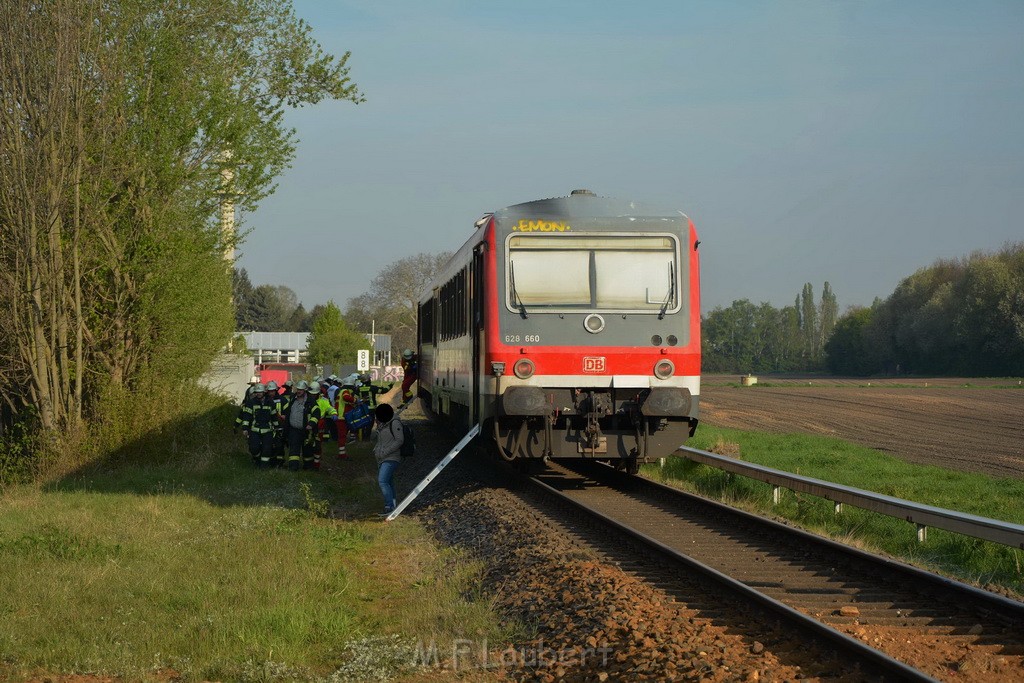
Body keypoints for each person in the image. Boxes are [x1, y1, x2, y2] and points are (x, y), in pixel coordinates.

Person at [372, 403, 404, 515]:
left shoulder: (395, 423)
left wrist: (385, 451)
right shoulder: (384, 424)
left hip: (391, 457)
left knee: (382, 480)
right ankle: (393, 504)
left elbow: (399, 440)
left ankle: (389, 506)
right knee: (389, 482)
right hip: (382, 457)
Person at [240, 383, 275, 468]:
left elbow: (274, 416)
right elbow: (247, 416)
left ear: (264, 392)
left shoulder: (270, 402)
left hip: (267, 430)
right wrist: (245, 428)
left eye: (260, 392)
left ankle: (264, 467)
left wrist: (278, 427)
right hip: (255, 430)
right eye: (257, 392)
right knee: (253, 448)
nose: (258, 393)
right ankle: (257, 460)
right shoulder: (251, 402)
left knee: (266, 449)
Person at [284, 380, 313, 471]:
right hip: (294, 429)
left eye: (301, 389)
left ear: (305, 390)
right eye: (298, 389)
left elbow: (316, 413)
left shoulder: (310, 401)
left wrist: (311, 423)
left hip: (305, 430)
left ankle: (308, 467)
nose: (299, 391)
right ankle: (293, 467)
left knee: (307, 449)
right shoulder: (293, 399)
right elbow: (288, 410)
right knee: (293, 449)